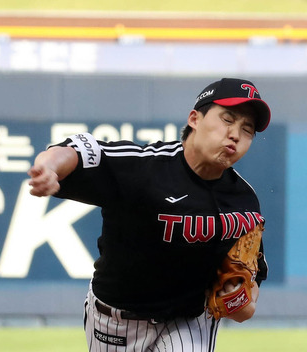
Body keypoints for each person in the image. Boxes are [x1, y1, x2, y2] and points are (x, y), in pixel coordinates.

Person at [28, 78, 270, 351]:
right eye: (227, 119)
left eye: (246, 129)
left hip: (189, 320)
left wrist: (240, 301)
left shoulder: (244, 203)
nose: (235, 134)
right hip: (118, 320)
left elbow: (248, 300)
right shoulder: (144, 168)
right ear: (194, 119)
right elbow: (78, 152)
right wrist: (48, 167)